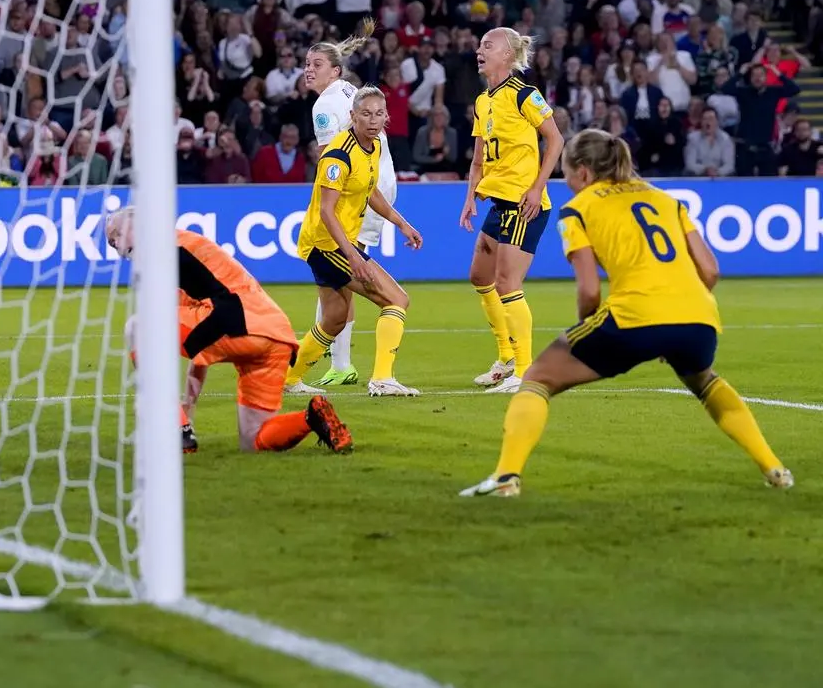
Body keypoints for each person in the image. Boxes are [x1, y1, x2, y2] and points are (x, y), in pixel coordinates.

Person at [460, 130, 793, 497]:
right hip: (698, 316)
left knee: (538, 378)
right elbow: (710, 270)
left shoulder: (579, 209)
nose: (565, 180)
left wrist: (587, 326)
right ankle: (773, 467)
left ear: (583, 173)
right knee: (704, 381)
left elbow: (589, 291)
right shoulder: (665, 200)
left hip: (633, 317)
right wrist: (676, 317)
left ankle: (506, 478)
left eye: (565, 172)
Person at [106, 208, 352, 456]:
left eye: (114, 236)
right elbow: (199, 343)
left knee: (138, 328)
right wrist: (186, 409)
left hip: (234, 319)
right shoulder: (189, 249)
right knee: (255, 440)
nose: (113, 244)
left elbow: (197, 329)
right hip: (275, 335)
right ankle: (312, 417)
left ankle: (176, 431)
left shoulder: (162, 250)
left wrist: (174, 417)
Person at [283, 86, 423, 398]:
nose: (373, 120)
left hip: (333, 243)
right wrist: (354, 255)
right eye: (365, 114)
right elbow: (326, 211)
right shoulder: (338, 154)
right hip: (328, 244)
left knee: (333, 320)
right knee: (397, 299)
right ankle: (383, 379)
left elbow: (370, 191)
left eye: (378, 114)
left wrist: (402, 224)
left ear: (386, 117)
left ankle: (289, 378)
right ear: (352, 116)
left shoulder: (372, 148)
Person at [460, 27, 565, 394]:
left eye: (488, 45)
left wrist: (537, 188)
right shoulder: (482, 101)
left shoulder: (525, 94)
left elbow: (556, 139)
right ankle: (506, 357)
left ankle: (525, 370)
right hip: (496, 200)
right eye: (479, 45)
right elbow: (477, 159)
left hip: (524, 203)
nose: (479, 50)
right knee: (479, 276)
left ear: (507, 54)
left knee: (507, 283)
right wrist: (470, 197)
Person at [301, 18, 399, 389]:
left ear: (336, 71)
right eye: (307, 65)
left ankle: (338, 363)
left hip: (361, 190)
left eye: (317, 65)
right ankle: (339, 362)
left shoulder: (323, 107)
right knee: (338, 270)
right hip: (381, 179)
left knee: (339, 268)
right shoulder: (346, 89)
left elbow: (332, 164)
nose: (309, 70)